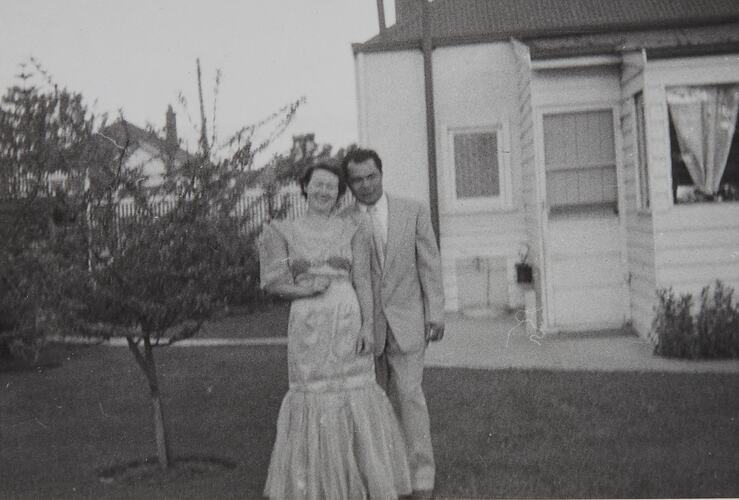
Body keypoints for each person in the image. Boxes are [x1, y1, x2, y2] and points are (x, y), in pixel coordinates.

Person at [259, 161, 412, 499]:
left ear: (339, 192)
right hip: (308, 322)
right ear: (305, 188)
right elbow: (272, 283)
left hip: (347, 317)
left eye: (331, 186)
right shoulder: (283, 230)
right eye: (318, 185)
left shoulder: (352, 229)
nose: (324, 191)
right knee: (314, 394)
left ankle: (358, 480)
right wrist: (305, 290)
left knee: (355, 392)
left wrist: (368, 327)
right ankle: (315, 485)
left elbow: (362, 280)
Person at [341, 148, 445, 497]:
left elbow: (429, 264)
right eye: (357, 179)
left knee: (410, 397)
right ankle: (383, 477)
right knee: (374, 404)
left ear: (381, 175)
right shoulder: (343, 221)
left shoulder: (412, 210)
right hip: (366, 329)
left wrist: (436, 313)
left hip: (408, 321)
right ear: (350, 183)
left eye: (371, 176)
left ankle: (421, 478)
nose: (366, 184)